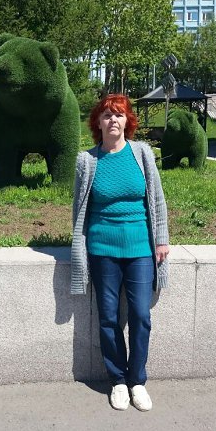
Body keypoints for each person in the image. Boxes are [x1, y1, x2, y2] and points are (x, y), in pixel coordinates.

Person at [71, 94, 170, 412]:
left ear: (128, 121)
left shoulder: (142, 153)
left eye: (119, 115)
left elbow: (156, 199)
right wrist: (79, 247)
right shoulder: (87, 161)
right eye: (107, 115)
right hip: (102, 250)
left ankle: (137, 380)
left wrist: (162, 240)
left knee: (140, 315)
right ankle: (117, 381)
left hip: (140, 248)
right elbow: (79, 208)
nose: (113, 120)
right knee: (109, 318)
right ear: (97, 123)